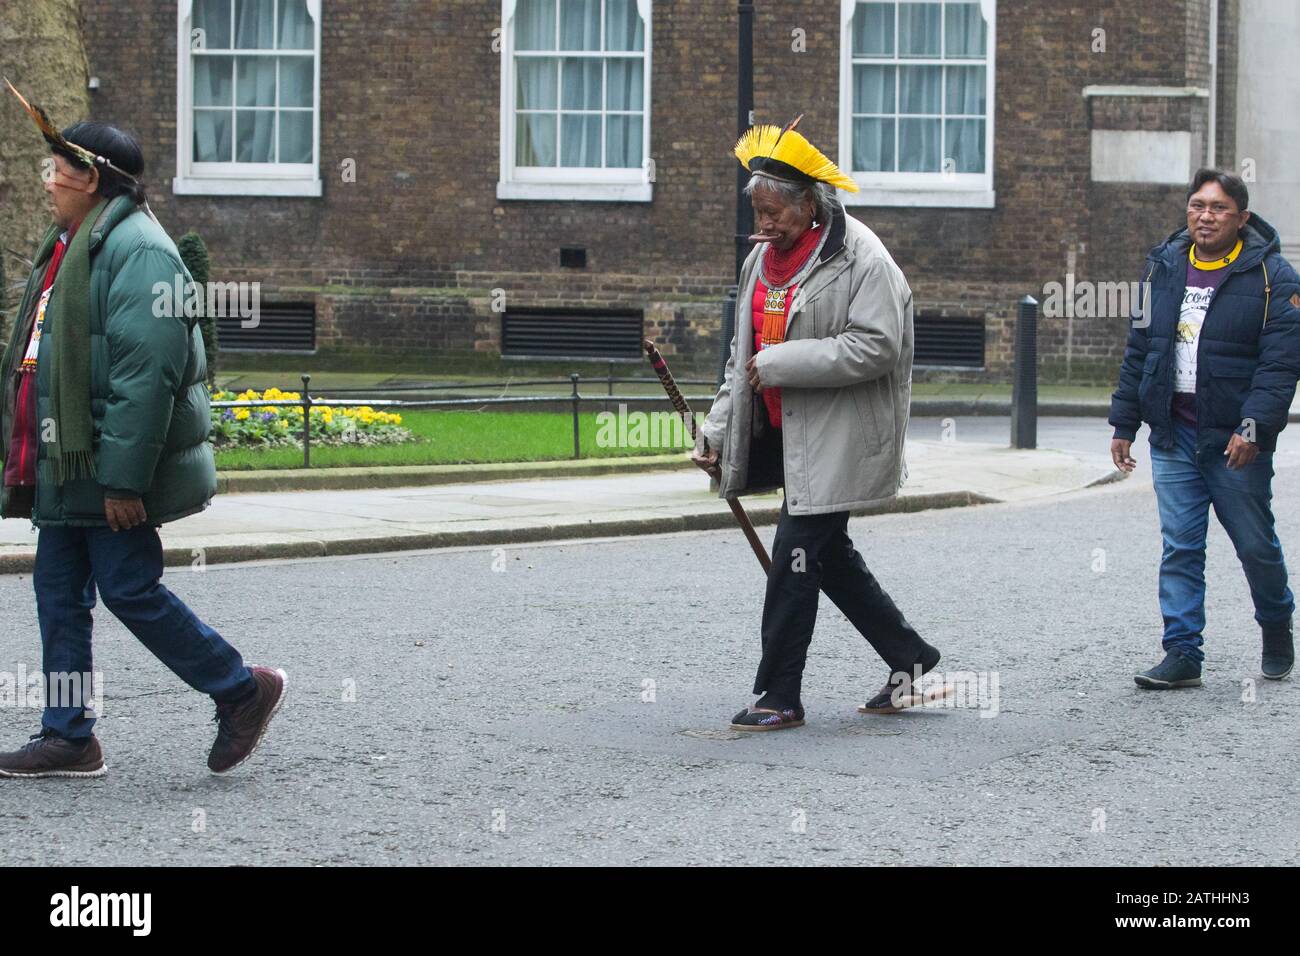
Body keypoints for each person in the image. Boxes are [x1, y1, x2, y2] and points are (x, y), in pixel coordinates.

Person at [0, 92, 286, 778]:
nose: (47, 181)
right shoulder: (71, 245)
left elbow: (147, 375)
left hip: (105, 469)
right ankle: (69, 736)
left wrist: (123, 478)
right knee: (58, 594)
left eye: (57, 171)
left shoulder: (141, 252)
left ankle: (243, 689)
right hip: (66, 462)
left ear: (92, 179)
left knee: (129, 588)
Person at [693, 119, 942, 731]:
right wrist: (719, 430)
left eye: (775, 211)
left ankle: (780, 695)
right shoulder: (760, 262)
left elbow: (876, 346)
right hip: (787, 434)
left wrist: (782, 364)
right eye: (758, 209)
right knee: (828, 559)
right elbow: (740, 357)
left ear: (810, 205)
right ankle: (910, 658)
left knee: (794, 558)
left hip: (841, 439)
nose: (765, 222)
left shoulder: (864, 258)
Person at [1110, 168, 1300, 688]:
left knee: (1254, 544)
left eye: (1218, 208)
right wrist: (1125, 420)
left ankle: (1276, 623)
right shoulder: (1164, 267)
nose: (1205, 216)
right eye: (1197, 206)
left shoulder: (1273, 278)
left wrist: (1253, 427)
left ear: (1241, 218)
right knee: (1181, 547)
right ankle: (1182, 653)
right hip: (1174, 435)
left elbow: (1280, 366)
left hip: (1235, 441)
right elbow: (1140, 349)